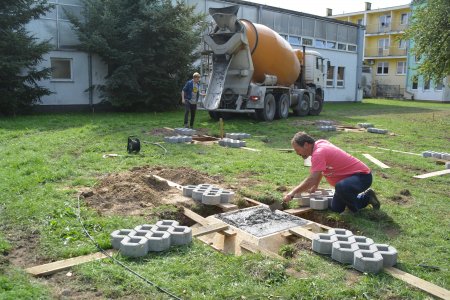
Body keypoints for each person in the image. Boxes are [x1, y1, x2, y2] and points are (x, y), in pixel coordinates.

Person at [283, 131, 380, 213]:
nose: (297, 153)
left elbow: (311, 179)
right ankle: (365, 198)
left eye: (297, 150)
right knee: (336, 209)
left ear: (306, 145)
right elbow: (320, 171)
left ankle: (357, 207)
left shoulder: (318, 153)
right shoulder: (319, 143)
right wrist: (315, 185)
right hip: (350, 179)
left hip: (362, 177)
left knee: (342, 188)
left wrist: (292, 193)